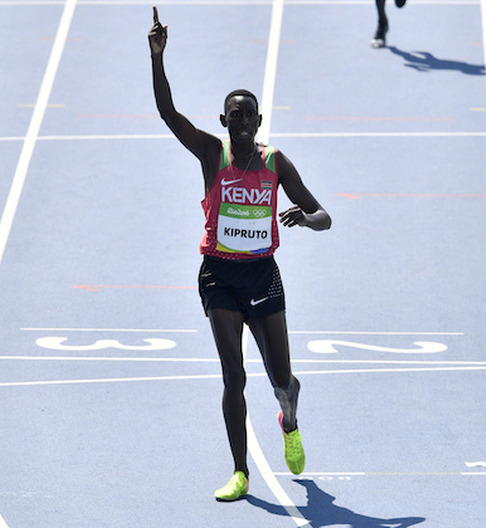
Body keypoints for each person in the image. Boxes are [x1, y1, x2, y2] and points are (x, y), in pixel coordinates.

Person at [148, 6, 332, 501]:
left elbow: (323, 216)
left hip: (262, 276)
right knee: (234, 374)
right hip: (219, 277)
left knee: (279, 378)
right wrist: (157, 57)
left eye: (250, 114)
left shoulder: (275, 162)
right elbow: (168, 114)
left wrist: (303, 219)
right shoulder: (212, 153)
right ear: (224, 120)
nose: (243, 121)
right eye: (235, 114)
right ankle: (240, 472)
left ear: (259, 120)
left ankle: (289, 417)